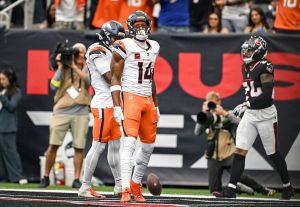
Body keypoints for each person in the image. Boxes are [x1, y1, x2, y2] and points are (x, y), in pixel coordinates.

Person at [216, 36, 295, 199]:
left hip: (266, 114)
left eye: (250, 50)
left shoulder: (265, 66)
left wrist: (246, 105)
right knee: (240, 150)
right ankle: (231, 189)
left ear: (259, 51)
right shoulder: (245, 67)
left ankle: (287, 187)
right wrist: (248, 106)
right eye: (245, 50)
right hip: (251, 115)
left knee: (273, 153)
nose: (246, 53)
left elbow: (266, 97)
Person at [110, 10, 160, 202]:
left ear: (149, 25)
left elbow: (152, 77)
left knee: (148, 147)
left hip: (147, 99)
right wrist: (116, 105)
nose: (141, 28)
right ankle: (124, 189)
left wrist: (156, 104)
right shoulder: (123, 45)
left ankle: (136, 185)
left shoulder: (154, 46)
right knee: (129, 144)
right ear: (131, 28)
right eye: (137, 25)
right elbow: (115, 77)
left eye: (143, 25)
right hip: (131, 98)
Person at [194, 91, 275, 196]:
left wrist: (225, 114)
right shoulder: (208, 118)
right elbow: (197, 132)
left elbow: (241, 122)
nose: (212, 107)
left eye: (213, 104)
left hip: (229, 153)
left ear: (219, 102)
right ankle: (236, 187)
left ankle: (264, 190)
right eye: (209, 104)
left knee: (240, 176)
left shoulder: (229, 113)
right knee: (214, 189)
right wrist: (203, 114)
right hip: (213, 155)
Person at [78, 20, 126, 198]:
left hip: (114, 103)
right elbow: (108, 77)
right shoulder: (97, 49)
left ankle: (119, 185)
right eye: (114, 37)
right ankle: (84, 186)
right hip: (104, 102)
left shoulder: (113, 50)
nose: (116, 41)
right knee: (98, 146)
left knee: (115, 146)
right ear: (106, 35)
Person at [39, 42, 91, 188]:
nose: (80, 55)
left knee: (79, 147)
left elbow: (88, 81)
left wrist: (74, 66)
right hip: (61, 110)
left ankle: (76, 179)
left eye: (82, 52)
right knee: (53, 145)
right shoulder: (64, 67)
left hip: (81, 110)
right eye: (77, 52)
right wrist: (61, 66)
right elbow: (53, 86)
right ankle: (45, 177)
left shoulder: (88, 67)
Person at [0, 68, 27, 185]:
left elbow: (12, 106)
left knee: (11, 152)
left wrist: (2, 97)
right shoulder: (3, 91)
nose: (1, 81)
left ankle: (18, 176)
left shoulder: (16, 91)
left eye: (3, 79)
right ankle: (4, 176)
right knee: (1, 154)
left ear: (10, 79)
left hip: (8, 127)